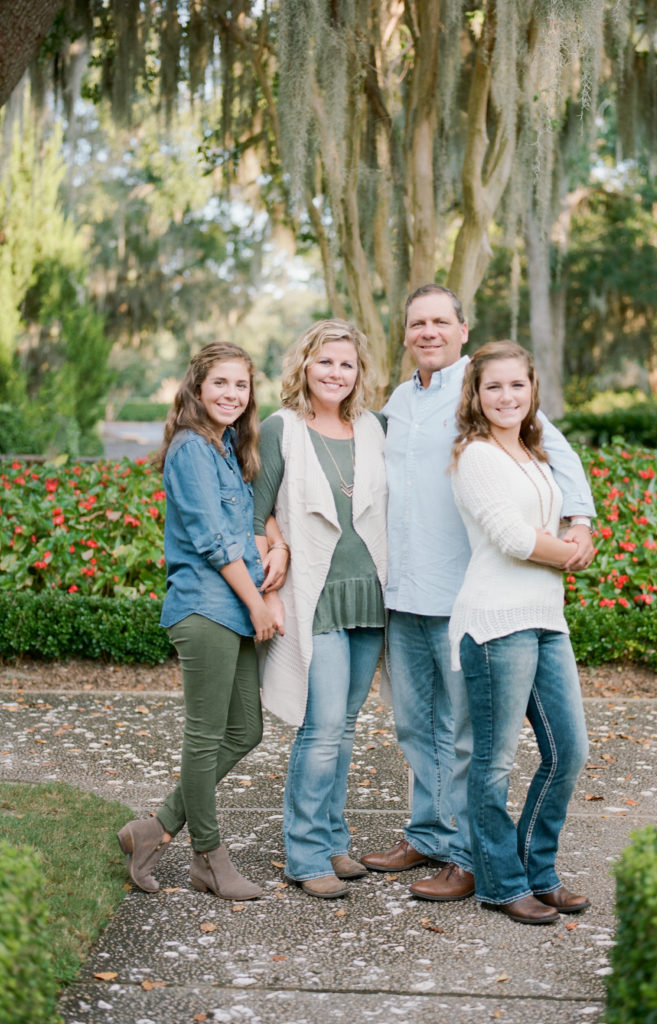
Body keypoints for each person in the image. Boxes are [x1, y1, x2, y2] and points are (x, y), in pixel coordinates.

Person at [361, 284, 596, 902]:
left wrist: (579, 523)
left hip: (466, 591)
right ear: (405, 333)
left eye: (441, 321)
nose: (429, 332)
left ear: (463, 330)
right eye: (418, 322)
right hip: (404, 589)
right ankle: (429, 834)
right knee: (416, 728)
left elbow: (557, 454)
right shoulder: (399, 400)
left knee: (469, 739)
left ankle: (468, 857)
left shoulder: (487, 387)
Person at [117, 342, 287, 901]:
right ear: (196, 388)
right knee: (206, 736)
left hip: (232, 611)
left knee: (246, 730)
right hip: (204, 608)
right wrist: (258, 603)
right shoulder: (191, 448)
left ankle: (155, 828)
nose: (231, 394)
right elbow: (214, 541)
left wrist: (277, 549)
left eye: (241, 385)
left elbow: (248, 521)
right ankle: (208, 859)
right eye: (220, 383)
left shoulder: (227, 445)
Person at [448, 340, 590, 923]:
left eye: (517, 385)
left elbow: (548, 525)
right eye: (493, 387)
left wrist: (578, 530)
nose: (506, 396)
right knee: (495, 764)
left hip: (546, 618)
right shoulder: (476, 455)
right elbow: (512, 538)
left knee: (569, 751)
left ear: (532, 390)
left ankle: (538, 869)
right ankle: (502, 885)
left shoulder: (534, 453)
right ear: (476, 395)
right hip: (495, 623)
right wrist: (573, 553)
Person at [253, 319, 387, 899]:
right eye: (325, 361)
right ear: (304, 365)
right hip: (314, 596)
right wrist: (270, 579)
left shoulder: (373, 429)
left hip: (370, 596)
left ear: (359, 372)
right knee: (322, 725)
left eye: (346, 364)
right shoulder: (280, 429)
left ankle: (333, 839)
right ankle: (304, 854)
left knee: (347, 725)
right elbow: (255, 510)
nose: (336, 373)